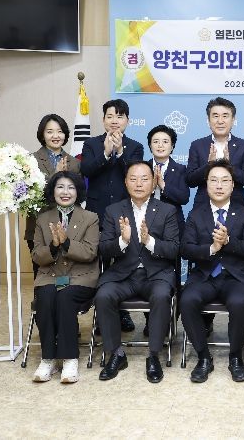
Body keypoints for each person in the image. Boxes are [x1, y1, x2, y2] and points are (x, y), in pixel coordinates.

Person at [94, 161, 180, 384]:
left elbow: (173, 249)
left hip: (156, 274)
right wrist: (122, 241)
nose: (139, 183)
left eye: (144, 179)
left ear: (154, 183)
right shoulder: (113, 210)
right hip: (123, 275)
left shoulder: (167, 211)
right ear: (125, 182)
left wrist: (149, 241)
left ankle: (154, 355)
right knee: (103, 295)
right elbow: (103, 249)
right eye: (133, 179)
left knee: (162, 295)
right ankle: (116, 354)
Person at [180, 160, 244, 383]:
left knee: (239, 302)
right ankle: (204, 357)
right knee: (187, 300)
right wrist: (212, 248)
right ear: (206, 185)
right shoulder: (196, 214)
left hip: (235, 277)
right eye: (214, 180)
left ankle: (236, 358)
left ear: (233, 185)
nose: (219, 185)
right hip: (204, 276)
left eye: (225, 180)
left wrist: (229, 241)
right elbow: (186, 249)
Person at [81, 99, 145, 333]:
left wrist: (120, 152)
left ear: (127, 120)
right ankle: (102, 313)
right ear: (103, 120)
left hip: (124, 214)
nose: (115, 121)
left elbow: (135, 175)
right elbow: (86, 170)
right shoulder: (91, 144)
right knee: (99, 263)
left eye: (119, 116)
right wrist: (106, 153)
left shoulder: (135, 146)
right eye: (110, 116)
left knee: (123, 262)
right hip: (96, 214)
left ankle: (122, 313)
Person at [30, 171, 98, 384]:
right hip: (50, 276)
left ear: (78, 192)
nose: (65, 192)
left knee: (65, 297)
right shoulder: (43, 219)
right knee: (46, 297)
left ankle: (70, 359)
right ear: (53, 191)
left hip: (80, 277)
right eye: (60, 187)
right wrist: (53, 246)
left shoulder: (90, 218)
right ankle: (48, 358)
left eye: (71, 187)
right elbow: (36, 255)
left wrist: (66, 243)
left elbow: (90, 252)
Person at [141, 124, 190, 337]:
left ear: (172, 146)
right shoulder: (142, 168)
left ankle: (170, 321)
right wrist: (149, 187)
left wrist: (163, 186)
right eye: (156, 142)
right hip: (145, 227)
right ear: (150, 145)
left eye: (165, 142)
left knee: (173, 274)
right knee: (146, 273)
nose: (160, 145)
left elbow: (184, 197)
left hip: (172, 229)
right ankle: (150, 320)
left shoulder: (180, 170)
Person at [25, 114, 81, 278]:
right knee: (41, 273)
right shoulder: (31, 160)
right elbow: (30, 195)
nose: (55, 136)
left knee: (67, 273)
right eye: (50, 132)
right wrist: (55, 176)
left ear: (65, 134)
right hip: (38, 225)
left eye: (60, 131)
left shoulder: (75, 163)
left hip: (67, 226)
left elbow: (78, 195)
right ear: (42, 135)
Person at [186, 97, 244, 208]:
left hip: (236, 207)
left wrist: (230, 167)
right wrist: (208, 165)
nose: (220, 121)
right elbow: (190, 181)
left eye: (225, 116)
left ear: (233, 120)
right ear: (208, 120)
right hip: (203, 207)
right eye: (215, 116)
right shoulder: (197, 145)